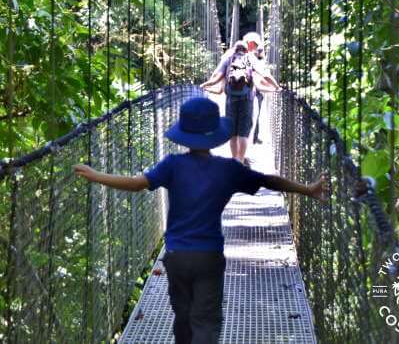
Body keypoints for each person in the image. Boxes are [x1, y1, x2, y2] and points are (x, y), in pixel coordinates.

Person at [74, 97, 327, 344]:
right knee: (205, 321)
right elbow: (267, 180)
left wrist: (97, 176)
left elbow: (136, 184)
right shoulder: (228, 169)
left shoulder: (172, 165)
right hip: (209, 255)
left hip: (176, 256)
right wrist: (307, 189)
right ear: (215, 132)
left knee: (183, 318)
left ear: (184, 133)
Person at [199, 32, 280, 164]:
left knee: (232, 132)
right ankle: (240, 161)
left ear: (235, 48)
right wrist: (276, 86)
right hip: (247, 99)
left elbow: (217, 77)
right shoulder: (251, 58)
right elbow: (265, 75)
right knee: (243, 132)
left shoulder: (229, 57)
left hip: (231, 99)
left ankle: (234, 160)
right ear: (247, 48)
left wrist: (205, 84)